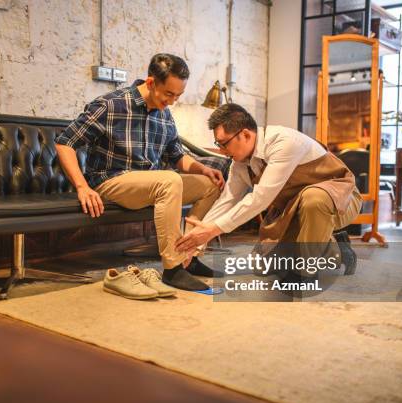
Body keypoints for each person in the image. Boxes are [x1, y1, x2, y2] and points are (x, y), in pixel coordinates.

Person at [56, 53, 224, 291]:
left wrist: (203, 168)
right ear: (151, 82)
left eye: (178, 95)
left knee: (210, 185)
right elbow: (65, 142)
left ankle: (190, 258)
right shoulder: (110, 105)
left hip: (150, 184)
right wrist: (82, 186)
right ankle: (173, 269)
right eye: (169, 94)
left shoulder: (165, 114)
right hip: (111, 182)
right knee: (168, 181)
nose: (173, 101)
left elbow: (176, 155)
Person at [176, 103, 361, 276]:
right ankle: (337, 247)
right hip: (291, 211)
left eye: (224, 143)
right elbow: (228, 200)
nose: (222, 151)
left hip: (339, 201)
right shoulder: (240, 164)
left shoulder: (284, 142)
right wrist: (196, 243)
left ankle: (305, 273)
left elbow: (261, 198)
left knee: (313, 199)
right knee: (262, 266)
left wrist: (213, 230)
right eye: (219, 144)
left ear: (246, 135)